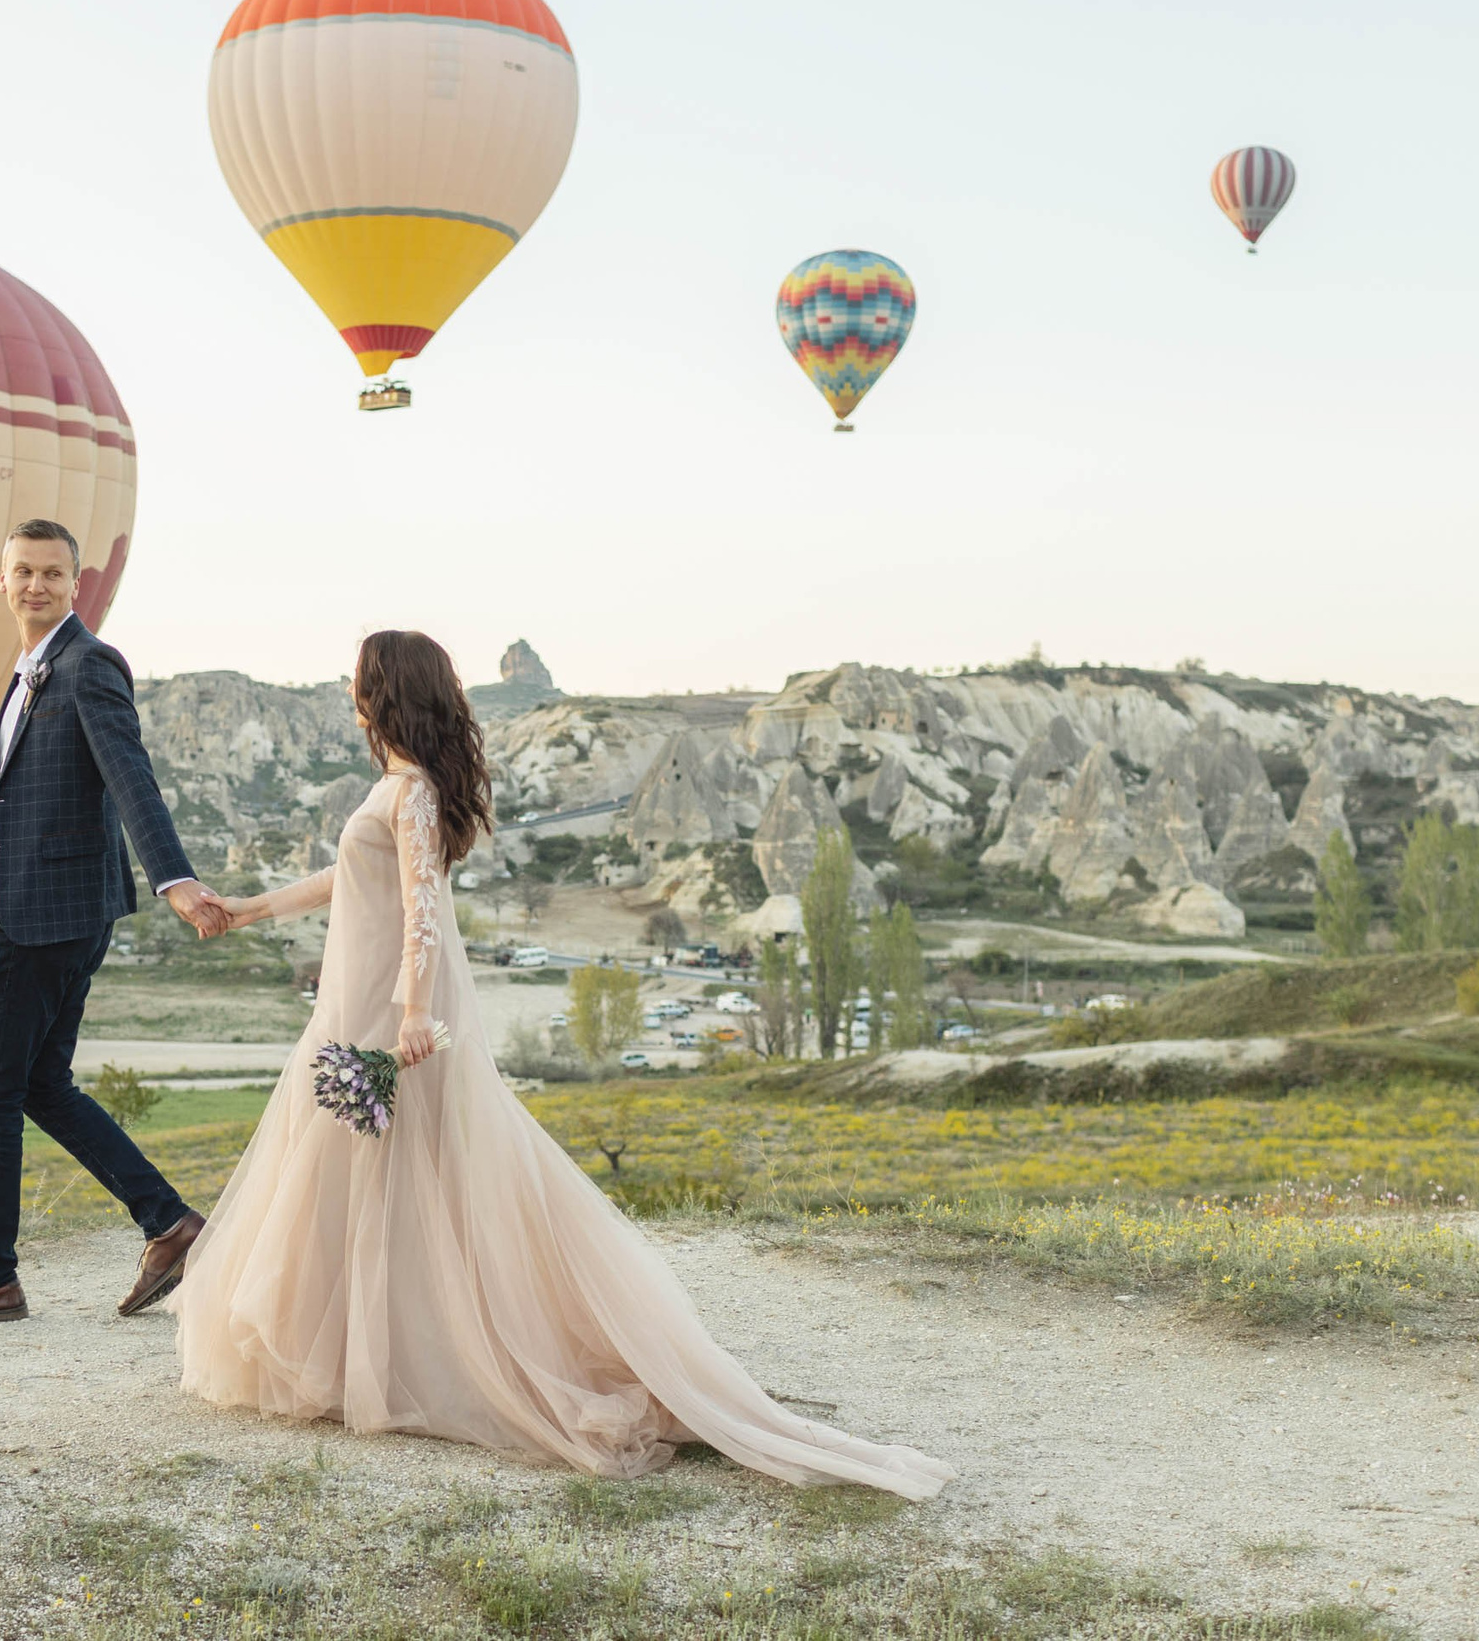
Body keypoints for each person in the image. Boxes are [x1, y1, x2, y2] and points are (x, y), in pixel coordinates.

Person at [169, 631, 954, 1497]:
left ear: (381, 693)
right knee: (364, 1176)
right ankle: (370, 1350)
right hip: (356, 1004)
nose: (350, 691)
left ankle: (423, 1355)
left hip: (389, 1016)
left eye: (359, 680)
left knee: (417, 1174)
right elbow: (345, 880)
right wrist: (244, 910)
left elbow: (424, 909)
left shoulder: (415, 792)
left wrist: (416, 1014)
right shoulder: (394, 788)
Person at [0, 520, 229, 1330]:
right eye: (23, 572)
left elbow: (130, 778)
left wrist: (174, 880)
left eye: (52, 573)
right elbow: (1, 805)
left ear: (78, 585)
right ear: (1, 582)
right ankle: (169, 1222)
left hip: (50, 916)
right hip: (36, 910)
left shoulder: (88, 665)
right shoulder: (30, 672)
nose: (36, 585)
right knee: (40, 1083)